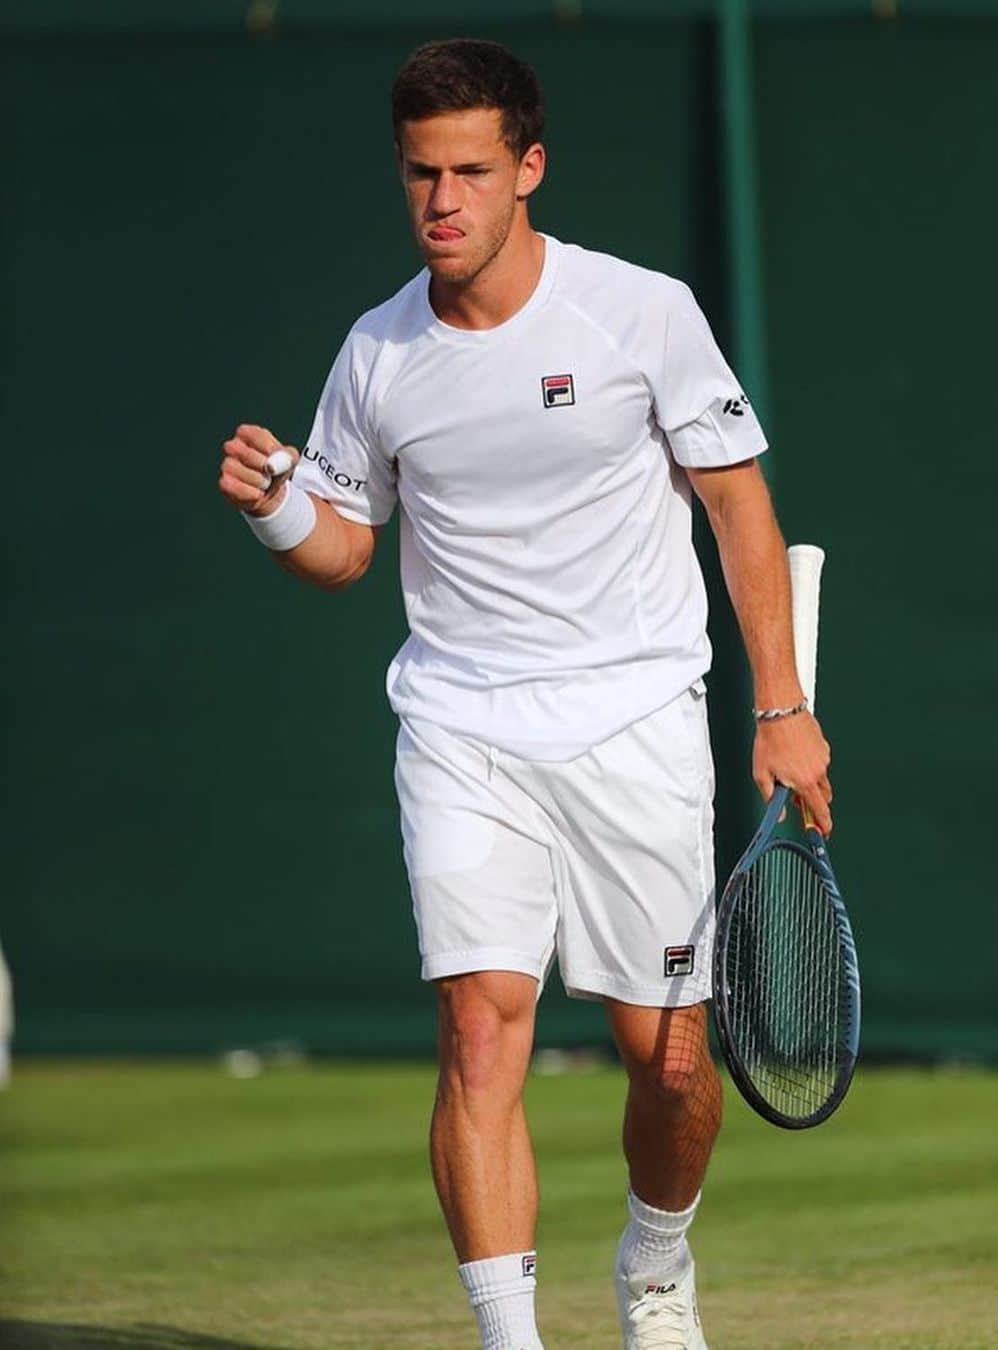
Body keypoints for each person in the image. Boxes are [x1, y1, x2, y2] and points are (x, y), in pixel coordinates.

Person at [218, 37, 831, 1350]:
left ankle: (655, 1262)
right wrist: (281, 510)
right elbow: (347, 548)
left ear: (528, 170)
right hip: (462, 724)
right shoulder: (376, 354)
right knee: (480, 1031)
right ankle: (512, 1337)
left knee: (672, 1062)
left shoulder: (642, 312)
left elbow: (740, 507)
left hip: (635, 721)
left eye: (471, 172)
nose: (443, 200)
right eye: (421, 174)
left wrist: (783, 705)